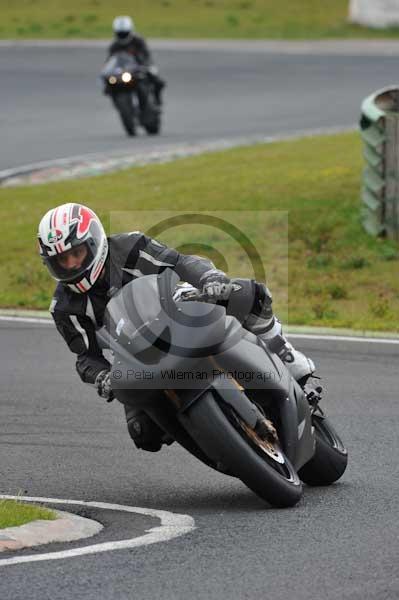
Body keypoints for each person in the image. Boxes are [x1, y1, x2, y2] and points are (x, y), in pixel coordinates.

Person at [38, 203, 315, 452]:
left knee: (248, 294)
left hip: (181, 313)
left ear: (94, 241)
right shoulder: (64, 307)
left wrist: (210, 279)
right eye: (62, 260)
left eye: (76, 253)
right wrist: (101, 377)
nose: (71, 264)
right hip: (136, 359)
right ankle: (215, 442)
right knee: (143, 434)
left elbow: (180, 263)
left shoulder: (130, 247)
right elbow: (85, 357)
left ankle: (287, 357)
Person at [108, 15, 165, 105]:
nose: (122, 35)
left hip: (139, 68)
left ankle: (157, 100)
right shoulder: (114, 46)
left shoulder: (138, 41)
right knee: (109, 84)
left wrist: (146, 66)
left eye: (124, 33)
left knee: (158, 81)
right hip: (122, 71)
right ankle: (117, 102)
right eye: (120, 33)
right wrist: (107, 72)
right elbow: (110, 60)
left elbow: (146, 55)